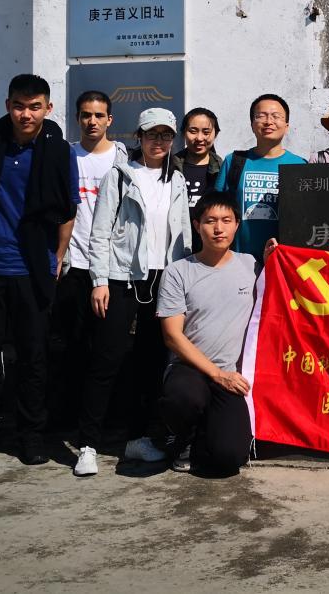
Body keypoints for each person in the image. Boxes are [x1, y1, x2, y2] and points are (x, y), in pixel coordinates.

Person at [0, 74, 78, 469]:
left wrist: (57, 258)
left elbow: (67, 211)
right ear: (8, 106)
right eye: (19, 106)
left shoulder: (59, 151)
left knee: (33, 357)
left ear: (48, 108)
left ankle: (30, 437)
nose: (26, 114)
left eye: (35, 106)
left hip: (32, 267)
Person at [75, 107, 192, 476]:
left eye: (166, 135)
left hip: (165, 280)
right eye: (152, 134)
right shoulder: (121, 175)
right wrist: (99, 281)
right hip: (122, 278)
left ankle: (138, 438)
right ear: (138, 137)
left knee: (150, 362)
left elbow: (184, 233)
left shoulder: (177, 179)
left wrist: (185, 279)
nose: (159, 141)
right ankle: (88, 444)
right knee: (106, 359)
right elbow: (100, 231)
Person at [157, 192, 258, 476]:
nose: (218, 228)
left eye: (226, 220)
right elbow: (172, 336)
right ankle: (182, 439)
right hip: (188, 369)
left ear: (237, 224)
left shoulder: (252, 265)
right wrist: (217, 374)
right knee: (183, 397)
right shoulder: (178, 272)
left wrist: (277, 257)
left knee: (229, 458)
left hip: (231, 376)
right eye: (210, 221)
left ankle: (206, 434)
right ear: (197, 225)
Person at [49, 91, 128, 430]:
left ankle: (105, 421)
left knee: (108, 350)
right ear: (77, 119)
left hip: (111, 270)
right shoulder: (67, 156)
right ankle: (69, 420)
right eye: (85, 115)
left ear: (110, 120)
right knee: (71, 346)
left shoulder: (124, 159)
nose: (92, 121)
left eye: (98, 115)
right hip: (73, 265)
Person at [215, 94, 306, 261]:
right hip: (238, 260)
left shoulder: (299, 165)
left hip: (283, 262)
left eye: (276, 116)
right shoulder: (234, 161)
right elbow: (216, 209)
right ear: (252, 124)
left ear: (286, 126)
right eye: (261, 116)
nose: (268, 121)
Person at [174, 108, 223, 250]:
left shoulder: (223, 169)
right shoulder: (169, 167)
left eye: (206, 132)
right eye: (193, 131)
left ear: (215, 134)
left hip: (210, 247)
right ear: (183, 133)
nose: (200, 138)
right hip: (175, 244)